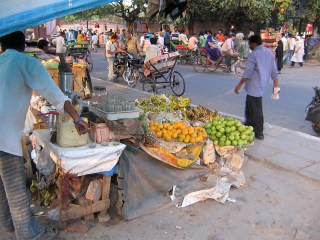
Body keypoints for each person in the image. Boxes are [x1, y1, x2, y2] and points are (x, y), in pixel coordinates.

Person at [0, 31, 88, 240]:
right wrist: (77, 118)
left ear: (2, 46)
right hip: (3, 137)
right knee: (15, 188)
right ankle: (27, 233)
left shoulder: (2, 60)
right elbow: (54, 94)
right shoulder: (25, 62)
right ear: (24, 46)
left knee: (2, 186)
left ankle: (8, 224)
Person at [234, 35, 279, 140]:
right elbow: (274, 71)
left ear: (254, 44)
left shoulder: (254, 54)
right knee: (250, 107)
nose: (249, 46)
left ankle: (258, 132)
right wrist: (276, 85)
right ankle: (249, 125)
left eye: (250, 44)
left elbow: (247, 73)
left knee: (255, 109)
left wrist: (239, 85)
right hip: (261, 84)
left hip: (254, 85)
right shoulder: (269, 52)